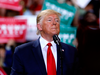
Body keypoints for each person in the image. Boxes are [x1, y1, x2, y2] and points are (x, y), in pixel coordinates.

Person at [10, 9, 80, 75]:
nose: (54, 23)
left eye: (57, 20)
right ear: (40, 26)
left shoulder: (71, 51)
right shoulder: (22, 52)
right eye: (49, 20)